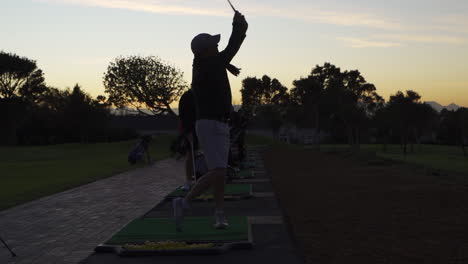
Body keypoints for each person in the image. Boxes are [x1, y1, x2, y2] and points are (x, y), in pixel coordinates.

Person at [173, 11, 248, 231]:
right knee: (219, 171)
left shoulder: (208, 64)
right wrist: (239, 27)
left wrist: (240, 29)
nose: (217, 47)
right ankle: (185, 202)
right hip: (210, 124)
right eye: (213, 45)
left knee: (220, 171)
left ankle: (219, 213)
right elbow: (230, 50)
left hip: (218, 123)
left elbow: (223, 58)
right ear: (204, 51)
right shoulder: (207, 65)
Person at [178, 89, 198, 191]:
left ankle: (201, 179)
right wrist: (187, 130)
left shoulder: (203, 95)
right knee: (190, 154)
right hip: (190, 128)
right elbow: (182, 114)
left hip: (202, 126)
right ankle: (188, 181)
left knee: (200, 153)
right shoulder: (187, 96)